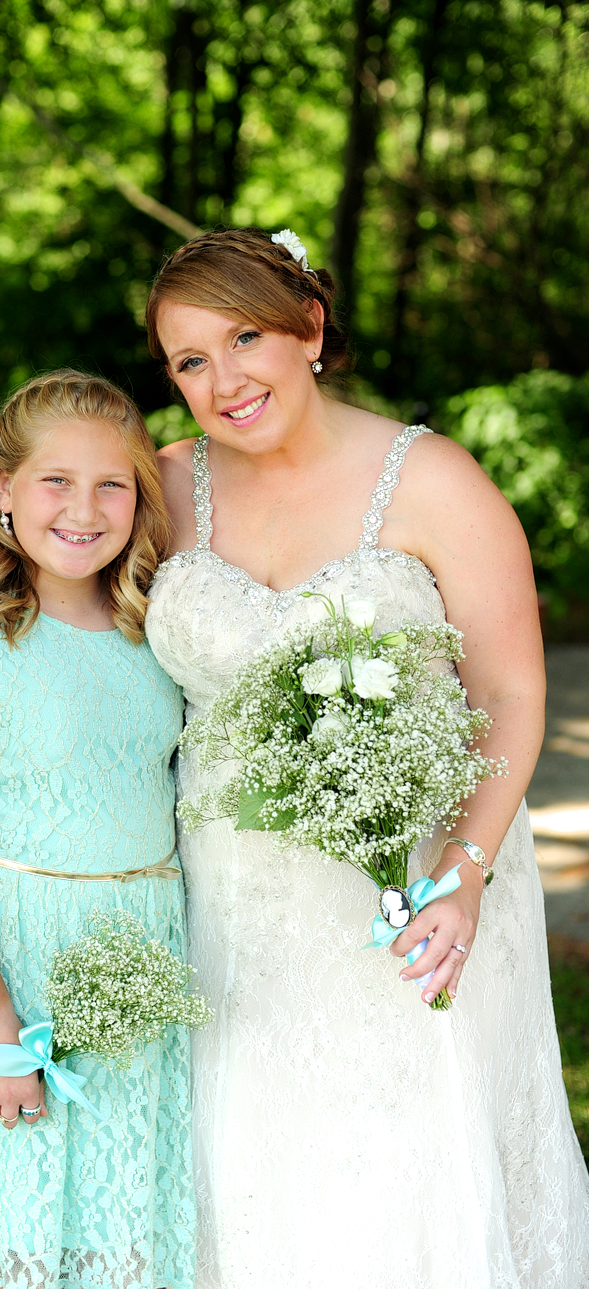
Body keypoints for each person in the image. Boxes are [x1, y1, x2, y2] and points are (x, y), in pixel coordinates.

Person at [141, 226, 589, 1288]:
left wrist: (466, 877)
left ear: (310, 327)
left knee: (417, 1146)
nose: (224, 379)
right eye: (190, 361)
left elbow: (512, 691)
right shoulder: (158, 485)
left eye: (246, 336)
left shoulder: (432, 479)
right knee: (253, 1143)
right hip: (233, 893)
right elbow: (47, 582)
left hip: (426, 876)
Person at [0, 370, 196, 1289]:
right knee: (19, 1212)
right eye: (54, 480)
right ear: (1, 492)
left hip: (142, 951)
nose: (84, 508)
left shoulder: (154, 628)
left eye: (112, 484)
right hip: (15, 958)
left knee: (124, 1211)